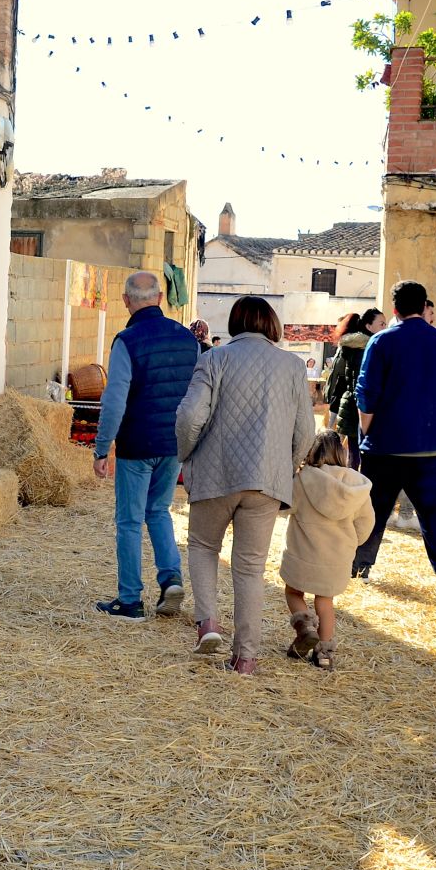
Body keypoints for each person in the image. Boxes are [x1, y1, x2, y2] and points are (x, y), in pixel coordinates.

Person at [173, 296, 312, 674]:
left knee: (202, 546)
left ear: (236, 323)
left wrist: (188, 455)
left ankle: (208, 624)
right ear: (272, 325)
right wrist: (285, 466)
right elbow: (306, 432)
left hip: (216, 472)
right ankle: (246, 658)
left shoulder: (215, 358)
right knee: (250, 568)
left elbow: (188, 417)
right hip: (267, 482)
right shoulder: (293, 366)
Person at [350, 281, 436, 601]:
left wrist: (367, 430)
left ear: (394, 309)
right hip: (434, 444)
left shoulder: (382, 341)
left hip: (387, 443)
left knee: (373, 509)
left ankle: (359, 569)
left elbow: (367, 392)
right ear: (424, 306)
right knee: (434, 513)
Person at [92, 271, 201, 621]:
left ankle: (129, 601)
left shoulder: (127, 340)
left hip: (136, 443)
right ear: (159, 298)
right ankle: (170, 577)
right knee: (159, 511)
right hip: (175, 443)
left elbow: (114, 400)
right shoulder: (188, 340)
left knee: (128, 520)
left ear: (126, 301)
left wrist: (101, 447)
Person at [280, 431, 375, 672]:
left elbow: (284, 507)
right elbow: (366, 523)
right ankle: (323, 654)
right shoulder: (356, 485)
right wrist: (352, 543)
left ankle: (305, 628)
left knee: (293, 591)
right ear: (341, 453)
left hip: (303, 554)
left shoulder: (302, 480)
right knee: (325, 602)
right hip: (337, 558)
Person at [328, 309, 382, 469]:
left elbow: (337, 374)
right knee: (364, 454)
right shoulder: (370, 348)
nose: (385, 328)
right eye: (382, 324)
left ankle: (353, 488)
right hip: (363, 404)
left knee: (353, 453)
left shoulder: (348, 347)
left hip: (348, 401)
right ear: (368, 326)